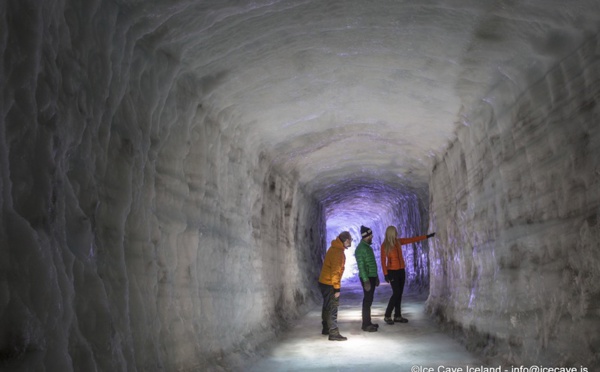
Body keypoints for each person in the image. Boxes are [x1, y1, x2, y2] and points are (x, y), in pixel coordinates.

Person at [380, 225, 435, 324]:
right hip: (392, 272)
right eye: (395, 232)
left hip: (401, 271)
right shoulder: (385, 246)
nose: (397, 233)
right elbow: (383, 262)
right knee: (396, 293)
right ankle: (387, 315)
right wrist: (386, 274)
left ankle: (397, 315)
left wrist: (426, 236)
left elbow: (412, 239)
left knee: (399, 294)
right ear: (391, 233)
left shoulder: (398, 242)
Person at [318, 231, 352, 341]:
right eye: (350, 240)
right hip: (330, 283)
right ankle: (333, 332)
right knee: (333, 307)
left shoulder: (334, 248)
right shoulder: (338, 252)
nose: (351, 242)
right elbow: (335, 272)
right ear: (346, 240)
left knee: (327, 305)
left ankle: (326, 328)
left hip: (324, 282)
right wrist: (337, 288)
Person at [354, 225, 380, 332]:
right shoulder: (360, 249)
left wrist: (376, 276)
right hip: (367, 278)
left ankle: (368, 322)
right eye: (370, 235)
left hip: (371, 277)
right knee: (367, 300)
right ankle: (365, 324)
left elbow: (371, 263)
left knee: (369, 300)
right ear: (366, 236)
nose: (372, 237)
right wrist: (366, 280)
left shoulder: (367, 247)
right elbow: (361, 266)